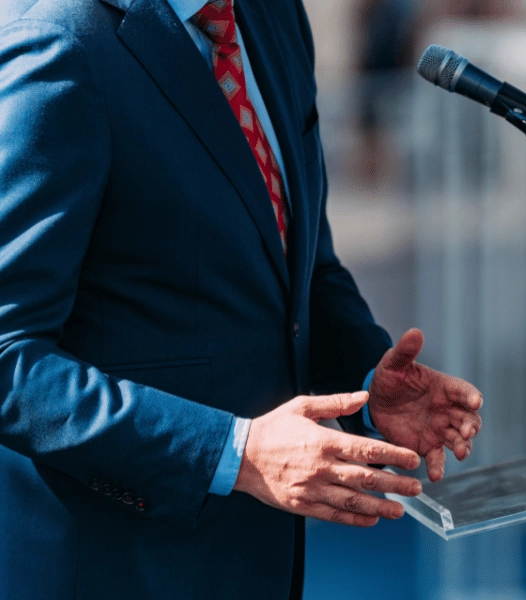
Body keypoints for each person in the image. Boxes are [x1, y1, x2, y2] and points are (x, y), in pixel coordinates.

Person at [0, 0, 483, 597]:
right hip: (118, 566)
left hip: (254, 561)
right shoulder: (59, 44)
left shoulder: (272, 15)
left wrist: (366, 380)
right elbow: (9, 359)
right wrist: (235, 451)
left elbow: (304, 266)